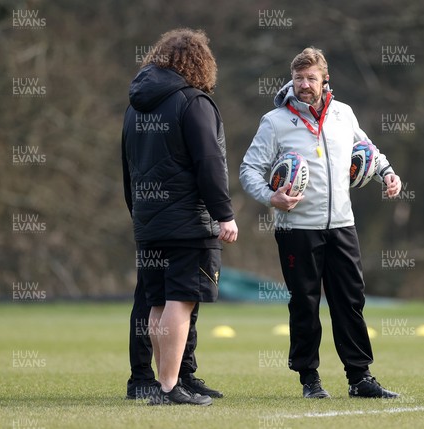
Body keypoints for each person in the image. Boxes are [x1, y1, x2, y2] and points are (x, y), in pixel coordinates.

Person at [240, 47, 401, 399]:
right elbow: (248, 170)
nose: (304, 85)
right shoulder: (275, 121)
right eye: (298, 78)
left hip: (342, 225)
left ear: (325, 79)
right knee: (305, 303)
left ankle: (360, 378)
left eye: (311, 78)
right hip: (297, 230)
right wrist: (272, 197)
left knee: (350, 301)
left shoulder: (344, 114)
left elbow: (368, 149)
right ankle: (309, 379)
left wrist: (387, 174)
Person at [122, 28, 238, 406]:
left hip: (149, 222)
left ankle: (161, 383)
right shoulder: (194, 103)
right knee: (182, 300)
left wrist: (139, 215)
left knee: (157, 302)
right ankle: (172, 386)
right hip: (188, 223)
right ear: (200, 63)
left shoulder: (135, 106)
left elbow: (128, 168)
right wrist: (224, 214)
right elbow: (209, 163)